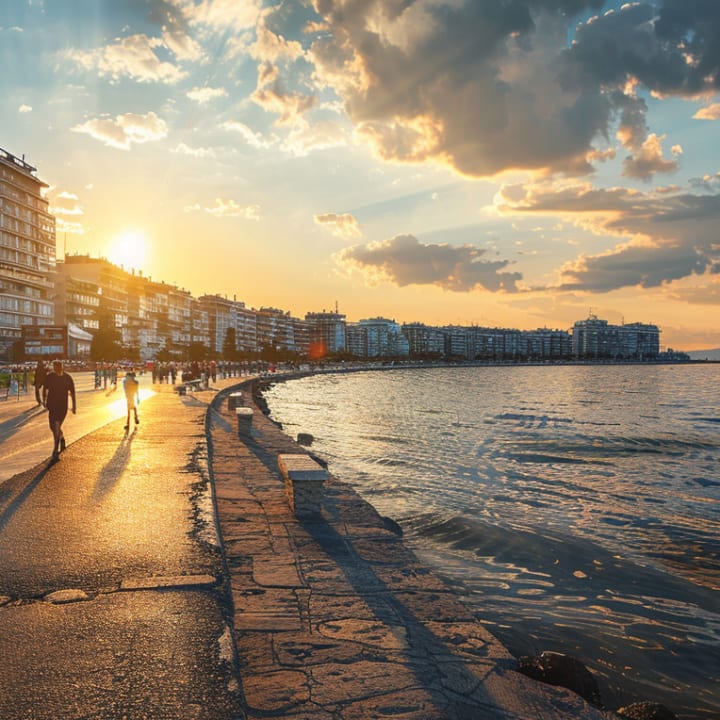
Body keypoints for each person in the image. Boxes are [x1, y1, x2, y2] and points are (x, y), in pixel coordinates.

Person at [42, 360, 76, 462]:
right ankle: (61, 438)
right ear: (54, 367)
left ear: (62, 367)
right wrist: (44, 400)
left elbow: (72, 392)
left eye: (59, 367)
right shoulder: (50, 377)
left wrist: (74, 406)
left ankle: (55, 451)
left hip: (62, 407)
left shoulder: (67, 378)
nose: (57, 369)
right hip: (52, 406)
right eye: (56, 367)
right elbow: (45, 389)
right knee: (53, 427)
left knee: (56, 427)